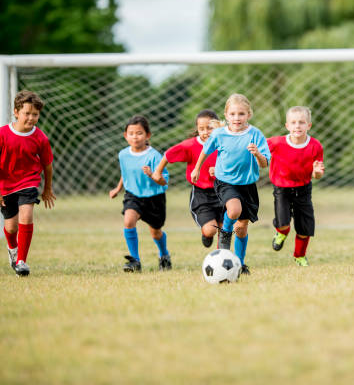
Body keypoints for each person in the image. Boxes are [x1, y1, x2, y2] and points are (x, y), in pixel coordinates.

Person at [191, 93, 271, 275]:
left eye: (241, 114)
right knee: (233, 210)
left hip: (248, 185)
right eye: (233, 114)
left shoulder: (255, 134)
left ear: (249, 115)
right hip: (225, 182)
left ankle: (240, 264)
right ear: (226, 115)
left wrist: (257, 153)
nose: (237, 118)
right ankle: (225, 233)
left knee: (242, 228)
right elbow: (205, 151)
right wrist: (197, 169)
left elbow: (265, 163)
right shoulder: (219, 134)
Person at [147, 109, 223, 248]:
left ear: (218, 127)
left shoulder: (225, 143)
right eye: (201, 129)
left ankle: (221, 257)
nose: (205, 132)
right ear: (197, 129)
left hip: (223, 190)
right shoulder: (191, 145)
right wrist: (158, 171)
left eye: (210, 128)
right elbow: (169, 154)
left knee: (224, 229)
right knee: (211, 229)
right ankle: (206, 234)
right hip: (202, 194)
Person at [0, 90, 55, 276]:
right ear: (16, 112)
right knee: (11, 227)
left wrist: (47, 188)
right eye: (27, 113)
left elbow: (47, 165)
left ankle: (22, 261)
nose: (31, 118)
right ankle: (12, 248)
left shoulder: (41, 138)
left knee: (27, 215)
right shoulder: (2, 134)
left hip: (28, 182)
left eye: (35, 114)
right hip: (5, 185)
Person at [109, 116, 171, 272]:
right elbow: (126, 173)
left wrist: (152, 175)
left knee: (156, 232)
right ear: (125, 136)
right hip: (133, 195)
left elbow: (164, 181)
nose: (135, 137)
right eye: (131, 133)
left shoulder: (155, 156)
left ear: (148, 135)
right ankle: (135, 261)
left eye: (139, 133)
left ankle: (164, 255)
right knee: (128, 221)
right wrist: (118, 188)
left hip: (154, 198)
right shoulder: (123, 154)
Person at [267, 106, 324, 266]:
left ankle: (299, 256)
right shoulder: (276, 143)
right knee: (284, 223)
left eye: (301, 122)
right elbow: (259, 149)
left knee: (305, 229)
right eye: (293, 122)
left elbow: (316, 174)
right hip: (282, 188)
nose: (297, 126)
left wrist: (317, 172)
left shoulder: (315, 146)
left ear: (309, 125)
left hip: (303, 189)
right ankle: (281, 233)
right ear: (287, 126)